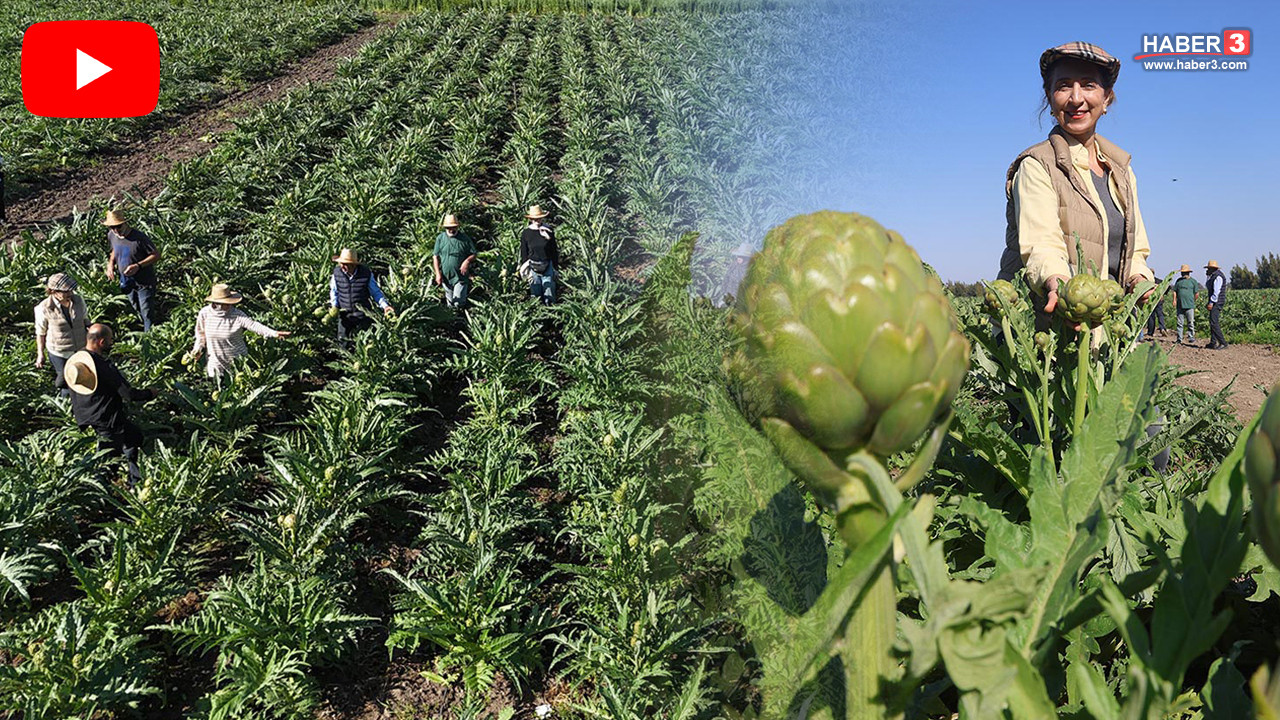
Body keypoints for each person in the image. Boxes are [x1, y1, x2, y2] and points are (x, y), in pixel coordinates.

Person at [997, 42, 1155, 326]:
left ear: (1107, 98)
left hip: (1106, 327)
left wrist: (1139, 279)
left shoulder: (1122, 170)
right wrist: (1059, 287)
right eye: (1064, 85)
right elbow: (1041, 245)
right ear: (1049, 97)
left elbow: (1136, 248)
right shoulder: (1037, 164)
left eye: (1089, 85)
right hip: (1044, 331)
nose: (1076, 98)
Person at [57, 324, 157, 488]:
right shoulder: (104, 366)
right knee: (109, 460)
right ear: (101, 342)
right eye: (110, 340)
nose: (112, 343)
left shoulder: (76, 359)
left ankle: (134, 481)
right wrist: (150, 393)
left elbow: (59, 382)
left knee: (134, 437)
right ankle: (100, 494)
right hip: (107, 418)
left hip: (85, 414)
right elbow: (129, 395)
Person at [187, 284, 291, 384]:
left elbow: (253, 325)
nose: (229, 305)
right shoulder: (204, 314)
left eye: (229, 302)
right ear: (216, 303)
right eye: (226, 303)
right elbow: (200, 335)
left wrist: (273, 333)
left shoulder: (237, 314)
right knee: (218, 392)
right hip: (215, 364)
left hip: (238, 365)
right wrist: (197, 350)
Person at [104, 210, 161, 332]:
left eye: (118, 226)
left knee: (146, 311)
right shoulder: (112, 235)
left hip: (144, 281)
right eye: (112, 227)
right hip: (126, 280)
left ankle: (150, 339)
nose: (115, 230)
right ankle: (148, 329)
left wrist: (138, 265)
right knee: (136, 307)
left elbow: (156, 255)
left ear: (125, 223)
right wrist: (110, 265)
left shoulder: (139, 238)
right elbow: (114, 250)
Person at [34, 272, 90, 395]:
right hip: (59, 352)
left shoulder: (78, 300)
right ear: (53, 291)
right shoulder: (44, 308)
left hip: (80, 348)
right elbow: (41, 332)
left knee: (83, 379)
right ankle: (66, 407)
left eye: (71, 290)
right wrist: (40, 354)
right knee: (67, 383)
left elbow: (85, 319)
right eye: (65, 291)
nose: (70, 293)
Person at [329, 248, 394, 345]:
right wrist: (334, 306)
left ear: (353, 264)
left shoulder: (366, 274)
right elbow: (334, 291)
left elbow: (375, 292)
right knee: (343, 343)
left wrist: (385, 306)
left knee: (367, 343)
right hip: (345, 315)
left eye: (345, 264)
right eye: (341, 263)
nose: (342, 266)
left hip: (363, 315)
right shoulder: (337, 273)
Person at [433, 214, 478, 310]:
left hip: (460, 276)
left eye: (453, 227)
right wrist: (437, 273)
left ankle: (462, 318)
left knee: (458, 302)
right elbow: (435, 257)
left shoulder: (464, 239)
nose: (451, 229)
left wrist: (467, 261)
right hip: (446, 276)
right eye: (449, 227)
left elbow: (474, 254)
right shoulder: (440, 238)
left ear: (457, 226)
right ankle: (453, 321)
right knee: (450, 303)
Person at [519, 205, 558, 305]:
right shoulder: (526, 233)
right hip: (533, 266)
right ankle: (538, 315)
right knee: (535, 294)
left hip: (547, 265)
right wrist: (526, 270)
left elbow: (554, 250)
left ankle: (550, 315)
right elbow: (524, 252)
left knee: (549, 291)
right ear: (531, 219)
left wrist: (555, 267)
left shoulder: (548, 231)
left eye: (539, 218)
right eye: (535, 218)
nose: (537, 220)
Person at [716, 242, 754, 307]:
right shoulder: (734, 265)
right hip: (728, 297)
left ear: (746, 258)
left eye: (741, 256)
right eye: (738, 256)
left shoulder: (749, 270)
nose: (738, 258)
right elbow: (727, 278)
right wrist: (723, 293)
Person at [1204, 259, 1228, 349]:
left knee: (1214, 322)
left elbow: (1216, 291)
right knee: (1212, 321)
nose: (1208, 270)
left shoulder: (1218, 277)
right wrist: (1207, 277)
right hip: (1215, 301)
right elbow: (1208, 286)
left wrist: (1211, 302)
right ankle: (1213, 342)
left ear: (1212, 268)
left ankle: (1223, 342)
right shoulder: (1213, 276)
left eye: (1209, 269)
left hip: (1216, 302)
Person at [1173, 264, 1198, 345]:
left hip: (1190, 305)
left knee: (1190, 322)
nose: (1183, 274)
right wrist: (1174, 300)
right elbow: (1175, 291)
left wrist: (1192, 300)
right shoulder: (1178, 281)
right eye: (1182, 273)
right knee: (1180, 323)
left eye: (1185, 273)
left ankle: (1191, 337)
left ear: (1188, 273)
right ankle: (1179, 338)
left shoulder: (1193, 281)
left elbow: (1196, 293)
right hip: (1180, 305)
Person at [1143, 268, 1167, 340]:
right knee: (1160, 314)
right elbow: (1167, 287)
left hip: (1150, 300)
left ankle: (1150, 332)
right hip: (1159, 300)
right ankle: (1162, 328)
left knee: (1151, 316)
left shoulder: (1147, 282)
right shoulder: (1158, 281)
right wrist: (1162, 294)